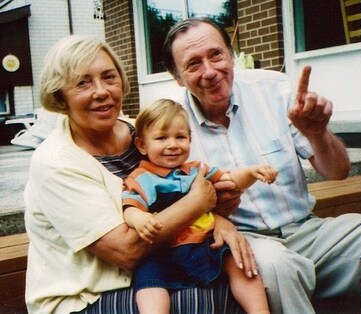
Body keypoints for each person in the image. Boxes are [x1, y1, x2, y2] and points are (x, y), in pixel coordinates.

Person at [24, 35, 254, 314]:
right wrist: (197, 204)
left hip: (158, 266)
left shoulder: (141, 133)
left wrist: (220, 219)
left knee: (245, 272)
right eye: (83, 82)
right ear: (60, 96)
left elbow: (185, 188)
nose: (101, 91)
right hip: (85, 295)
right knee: (196, 300)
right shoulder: (55, 162)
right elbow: (126, 251)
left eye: (109, 77)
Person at [162, 17, 361, 313]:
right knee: (277, 266)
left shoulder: (273, 89)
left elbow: (338, 172)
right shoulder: (171, 128)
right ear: (177, 76)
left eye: (216, 54)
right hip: (245, 241)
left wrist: (318, 134)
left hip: (306, 229)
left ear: (231, 54)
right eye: (193, 64)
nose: (210, 71)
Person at [123, 98, 277, 314]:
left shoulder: (196, 170)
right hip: (162, 250)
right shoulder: (141, 178)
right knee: (148, 282)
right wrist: (139, 219)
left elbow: (230, 179)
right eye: (161, 138)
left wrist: (252, 173)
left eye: (180, 137)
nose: (173, 144)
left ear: (190, 139)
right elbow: (129, 207)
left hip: (202, 244)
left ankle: (259, 311)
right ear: (141, 145)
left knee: (237, 261)